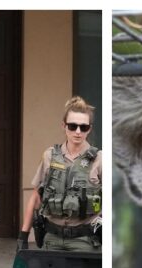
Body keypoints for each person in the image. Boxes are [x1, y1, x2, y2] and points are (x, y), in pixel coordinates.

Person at [19, 96, 102, 252]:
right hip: (52, 238)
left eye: (83, 127)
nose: (78, 132)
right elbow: (36, 197)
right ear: (63, 126)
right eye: (72, 126)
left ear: (89, 129)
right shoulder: (50, 156)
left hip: (84, 240)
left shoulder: (99, 159)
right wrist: (23, 236)